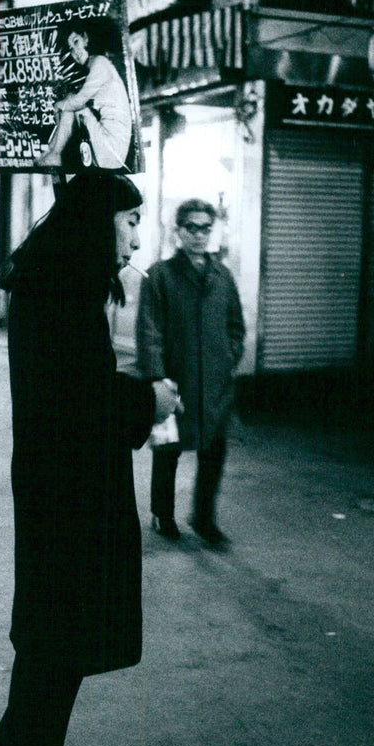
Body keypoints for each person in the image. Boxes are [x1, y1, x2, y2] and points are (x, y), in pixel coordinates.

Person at [0, 171, 176, 746]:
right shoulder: (62, 288)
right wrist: (150, 401)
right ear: (97, 222)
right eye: (129, 221)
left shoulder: (55, 279)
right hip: (70, 496)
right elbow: (79, 405)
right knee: (57, 648)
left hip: (62, 487)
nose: (137, 237)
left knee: (56, 647)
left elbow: (75, 388)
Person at [135, 198, 245, 548]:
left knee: (214, 452)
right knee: (167, 451)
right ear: (178, 231)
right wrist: (157, 377)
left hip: (215, 385)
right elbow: (149, 330)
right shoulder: (160, 275)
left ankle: (204, 518)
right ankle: (162, 515)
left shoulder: (222, 275)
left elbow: (236, 326)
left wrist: (228, 357)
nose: (199, 235)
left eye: (205, 228)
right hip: (174, 382)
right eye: (192, 227)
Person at [37, 23, 133, 172]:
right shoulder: (96, 64)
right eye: (70, 48)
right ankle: (51, 151)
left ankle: (55, 153)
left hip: (112, 149)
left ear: (86, 39)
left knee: (72, 104)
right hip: (111, 150)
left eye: (76, 42)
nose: (75, 51)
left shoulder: (100, 63)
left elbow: (78, 101)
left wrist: (56, 106)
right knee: (70, 101)